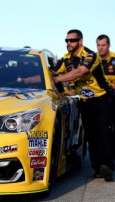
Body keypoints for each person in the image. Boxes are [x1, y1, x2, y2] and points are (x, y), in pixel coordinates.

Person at [53, 29, 114, 181]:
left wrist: (58, 79)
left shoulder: (90, 55)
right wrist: (26, 79)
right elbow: (51, 73)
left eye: (72, 40)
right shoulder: (65, 59)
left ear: (80, 41)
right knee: (91, 136)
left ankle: (108, 166)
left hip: (103, 100)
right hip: (85, 103)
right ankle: (97, 167)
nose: (69, 43)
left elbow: (80, 72)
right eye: (66, 40)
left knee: (104, 134)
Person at [96, 34, 115, 159]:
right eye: (98, 45)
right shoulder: (93, 59)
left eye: (103, 45)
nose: (101, 48)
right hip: (100, 97)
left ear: (108, 46)